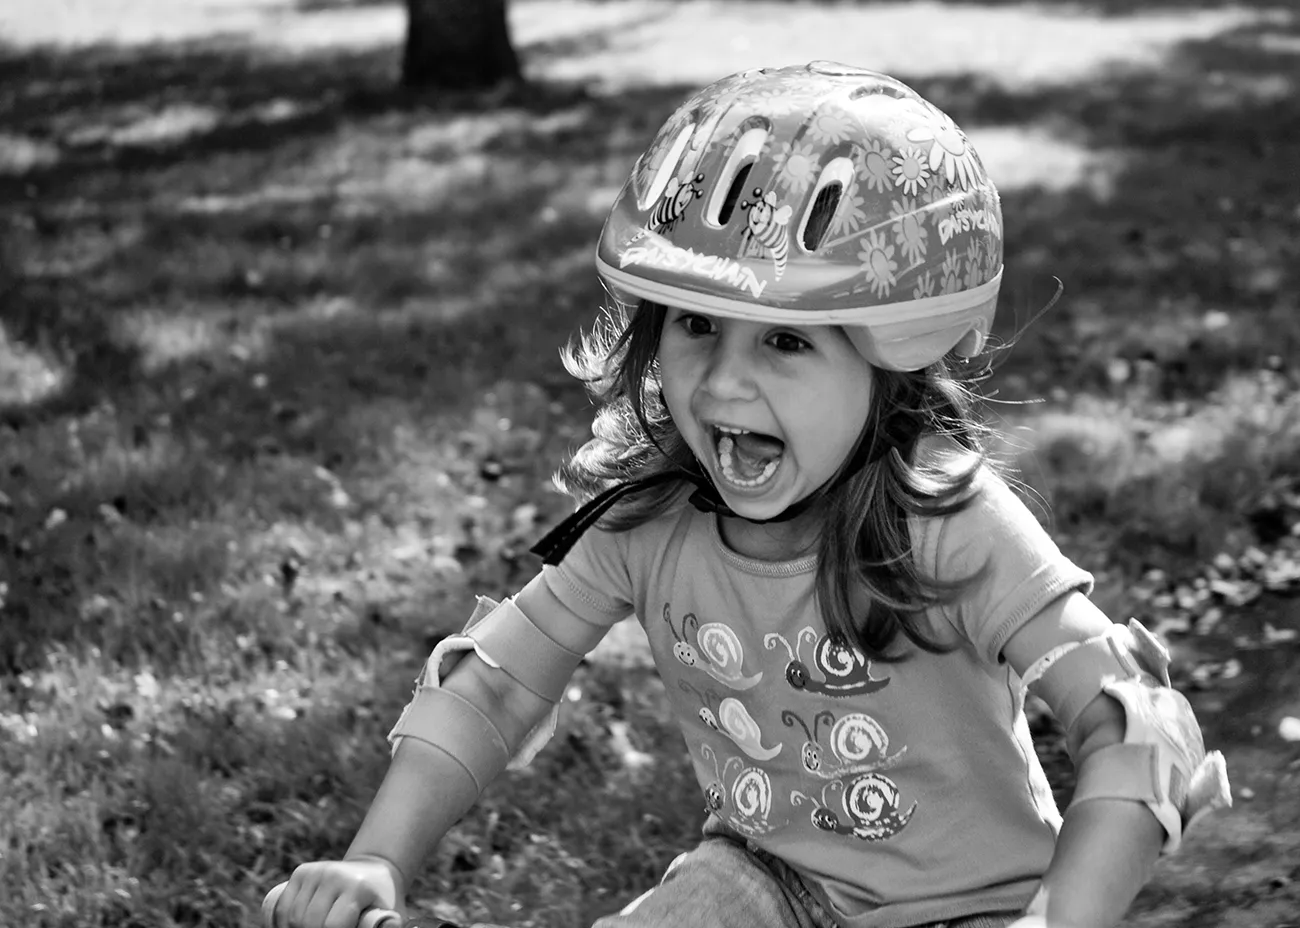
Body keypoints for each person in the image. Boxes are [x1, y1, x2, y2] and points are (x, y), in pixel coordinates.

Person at [263, 62, 1231, 928]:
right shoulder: (647, 524)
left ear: (891, 365)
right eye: (694, 324)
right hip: (759, 880)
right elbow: (496, 682)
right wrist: (376, 862)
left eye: (784, 340)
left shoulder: (948, 522)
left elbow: (1133, 726)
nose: (721, 387)